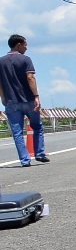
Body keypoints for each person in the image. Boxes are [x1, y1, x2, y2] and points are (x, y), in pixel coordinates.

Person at [0, 34, 49, 166]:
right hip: (28, 99)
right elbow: (30, 78)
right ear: (19, 45)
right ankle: (39, 153)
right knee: (37, 126)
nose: (26, 48)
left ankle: (25, 160)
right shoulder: (26, 59)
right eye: (25, 45)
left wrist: (3, 98)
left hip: (11, 102)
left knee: (17, 132)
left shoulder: (1, 61)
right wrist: (36, 96)